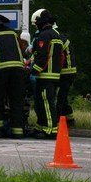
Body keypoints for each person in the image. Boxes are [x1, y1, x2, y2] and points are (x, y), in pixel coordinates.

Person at [30, 9, 63, 139]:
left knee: (46, 103)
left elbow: (42, 56)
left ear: (42, 23)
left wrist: (33, 70)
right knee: (44, 102)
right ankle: (41, 126)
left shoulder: (44, 35)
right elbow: (61, 57)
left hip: (45, 75)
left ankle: (51, 129)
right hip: (54, 74)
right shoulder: (57, 34)